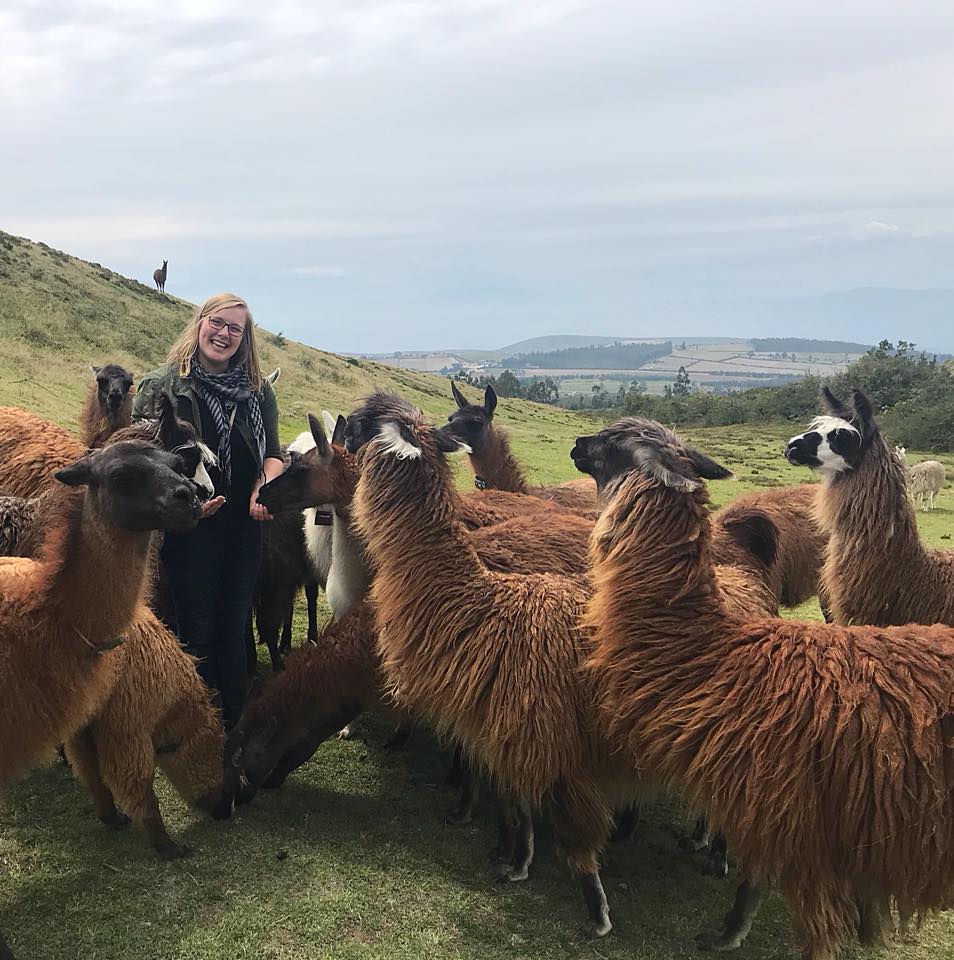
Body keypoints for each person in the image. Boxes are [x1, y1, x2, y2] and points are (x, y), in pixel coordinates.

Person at [132, 293, 283, 729]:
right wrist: (189, 503)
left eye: (235, 329)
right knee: (196, 625)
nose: (224, 334)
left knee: (234, 624)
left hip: (244, 523)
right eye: (218, 323)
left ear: (245, 338)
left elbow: (271, 453)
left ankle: (232, 726)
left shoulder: (258, 391)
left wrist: (264, 485)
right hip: (188, 526)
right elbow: (143, 461)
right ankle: (193, 725)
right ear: (201, 323)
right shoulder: (161, 387)